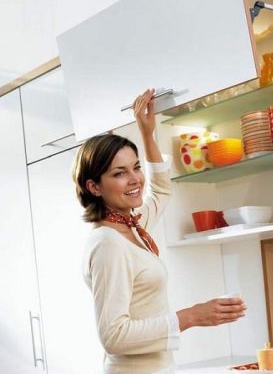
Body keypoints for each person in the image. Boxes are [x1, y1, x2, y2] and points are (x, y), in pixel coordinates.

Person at [72, 88, 246, 374]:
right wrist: (191, 316)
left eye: (136, 167)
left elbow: (162, 190)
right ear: (94, 187)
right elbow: (113, 336)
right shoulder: (108, 243)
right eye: (119, 173)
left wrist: (147, 133)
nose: (135, 180)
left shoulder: (133, 227)